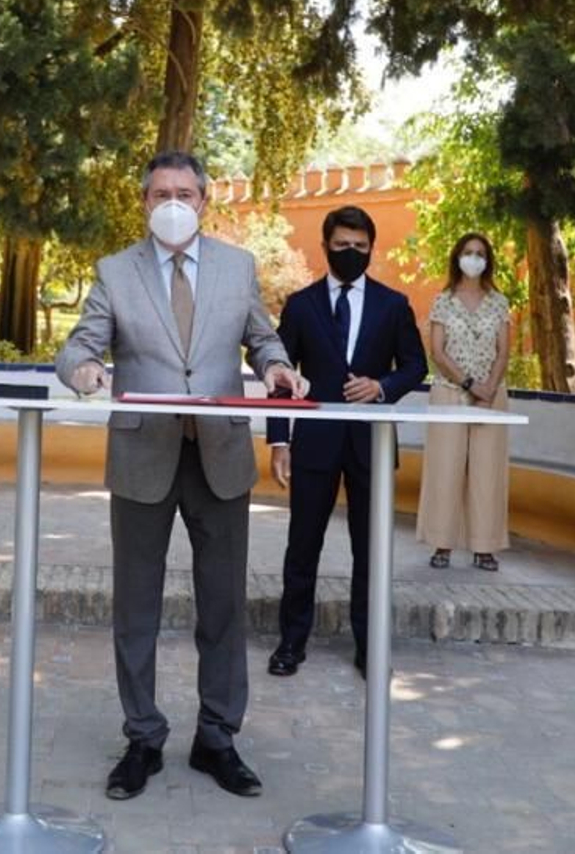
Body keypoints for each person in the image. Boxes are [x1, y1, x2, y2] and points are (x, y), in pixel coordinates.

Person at [56, 152, 308, 802]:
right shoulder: (116, 271)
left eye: (184, 192)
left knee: (222, 607)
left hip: (220, 457)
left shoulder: (237, 267)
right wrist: (84, 373)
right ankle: (143, 737)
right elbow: (81, 346)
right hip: (144, 457)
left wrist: (278, 369)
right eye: (160, 192)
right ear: (144, 203)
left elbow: (263, 340)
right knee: (135, 609)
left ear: (204, 200)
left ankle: (217, 738)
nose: (172, 201)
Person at [265, 206, 427, 679]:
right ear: (326, 247)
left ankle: (370, 646)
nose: (351, 254)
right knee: (302, 546)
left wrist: (382, 387)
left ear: (371, 249)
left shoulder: (393, 304)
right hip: (314, 441)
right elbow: (279, 372)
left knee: (370, 548)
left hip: (370, 442)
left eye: (360, 247)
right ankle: (291, 642)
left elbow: (415, 366)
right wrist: (279, 440)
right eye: (342, 246)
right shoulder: (301, 304)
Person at [416, 232, 513, 573]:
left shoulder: (499, 302)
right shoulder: (443, 300)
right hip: (449, 392)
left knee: (488, 470)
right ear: (457, 257)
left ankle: (484, 548)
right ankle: (442, 543)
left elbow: (504, 351)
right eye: (469, 252)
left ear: (488, 261)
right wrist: (469, 384)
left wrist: (488, 388)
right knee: (446, 467)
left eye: (480, 253)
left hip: (491, 396)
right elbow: (437, 352)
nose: (474, 258)